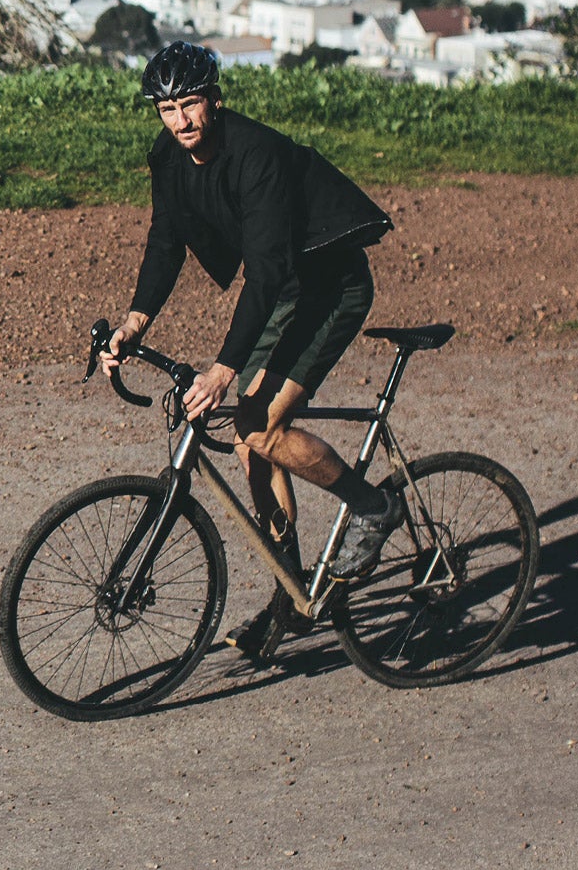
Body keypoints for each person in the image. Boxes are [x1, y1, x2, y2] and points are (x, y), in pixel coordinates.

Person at [103, 40, 405, 666]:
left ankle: (374, 507)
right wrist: (134, 322)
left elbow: (265, 275)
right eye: (166, 109)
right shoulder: (168, 155)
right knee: (245, 437)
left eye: (189, 104)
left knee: (261, 426)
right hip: (286, 287)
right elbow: (166, 240)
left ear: (214, 98)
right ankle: (291, 593)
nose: (180, 120)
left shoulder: (258, 154)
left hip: (329, 285)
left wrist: (224, 367)